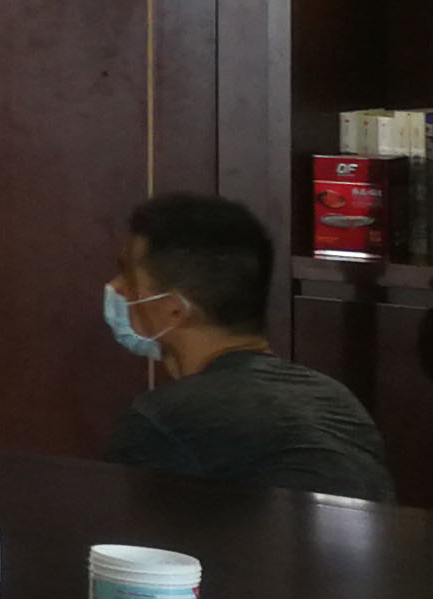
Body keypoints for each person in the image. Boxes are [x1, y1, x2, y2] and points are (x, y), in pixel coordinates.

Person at [102, 193, 394, 502]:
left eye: (128, 276)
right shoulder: (336, 398)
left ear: (174, 310)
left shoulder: (163, 423)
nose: (116, 288)